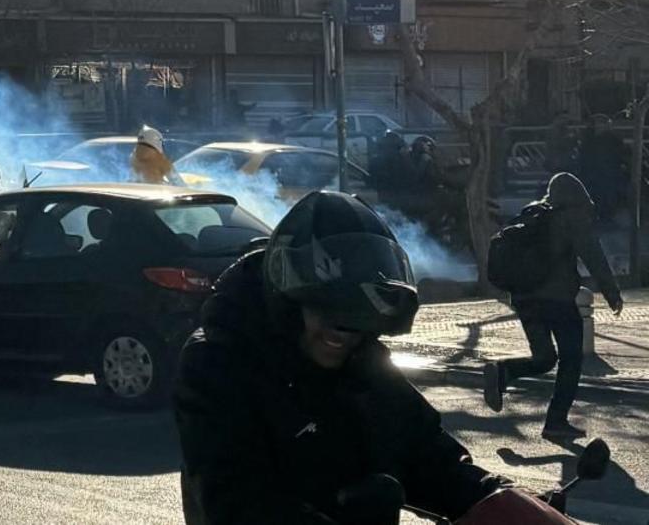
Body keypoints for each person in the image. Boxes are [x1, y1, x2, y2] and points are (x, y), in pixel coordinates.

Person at [174, 191, 511, 524]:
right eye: (327, 312)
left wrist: (499, 500)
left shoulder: (364, 363)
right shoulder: (217, 363)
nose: (342, 334)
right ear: (289, 302)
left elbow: (428, 454)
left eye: (356, 322)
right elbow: (238, 500)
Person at [483, 173, 624, 439]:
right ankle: (555, 422)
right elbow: (593, 255)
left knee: (545, 358)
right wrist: (612, 293)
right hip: (556, 301)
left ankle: (504, 371)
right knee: (571, 360)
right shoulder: (571, 217)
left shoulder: (533, 213)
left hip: (524, 299)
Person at [577, 114, 625, 224]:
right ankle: (598, 217)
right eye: (597, 124)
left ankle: (607, 217)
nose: (599, 126)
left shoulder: (612, 139)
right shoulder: (589, 139)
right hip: (593, 174)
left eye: (602, 124)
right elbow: (583, 155)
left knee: (608, 196)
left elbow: (620, 153)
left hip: (608, 173)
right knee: (596, 196)